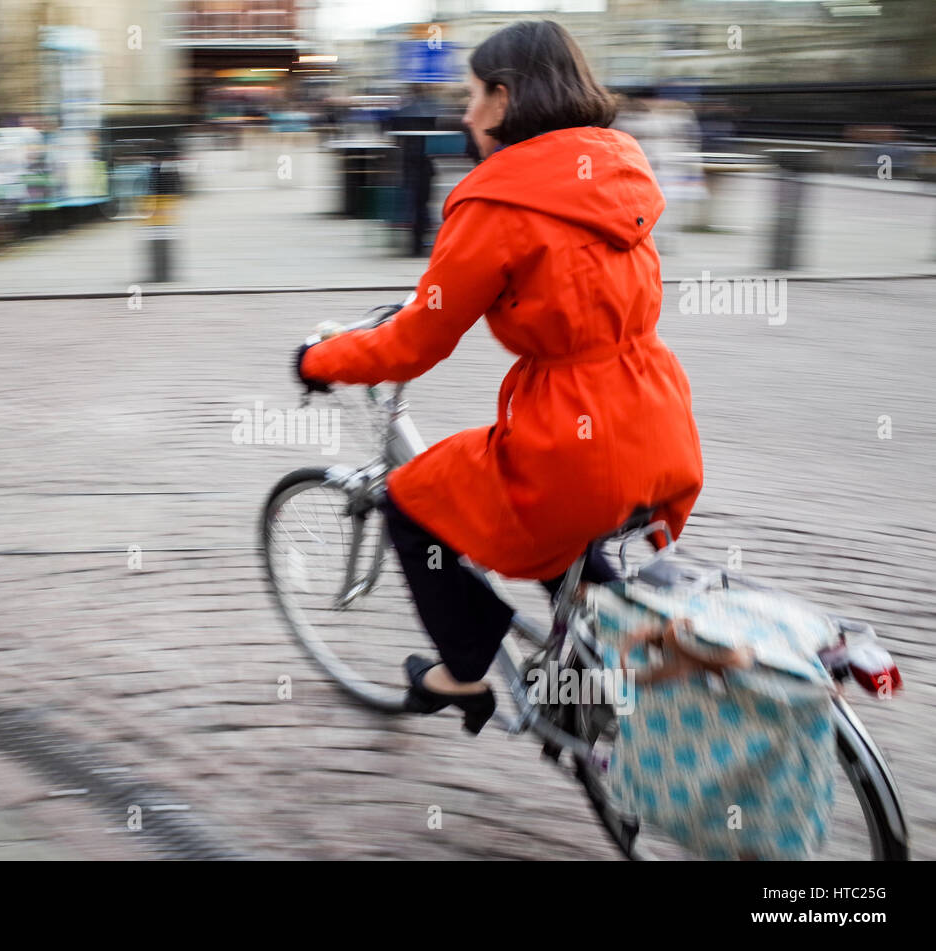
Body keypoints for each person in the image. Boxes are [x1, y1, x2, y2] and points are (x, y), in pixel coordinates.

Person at [295, 20, 705, 735]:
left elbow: (417, 340)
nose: (463, 112)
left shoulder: (499, 201)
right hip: (657, 417)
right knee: (563, 533)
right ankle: (591, 687)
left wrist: (321, 358)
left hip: (571, 439)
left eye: (472, 94)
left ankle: (461, 674)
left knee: (409, 499)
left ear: (505, 99)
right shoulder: (617, 166)